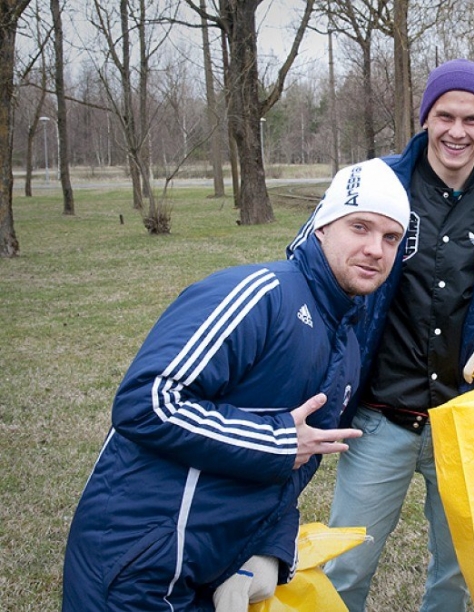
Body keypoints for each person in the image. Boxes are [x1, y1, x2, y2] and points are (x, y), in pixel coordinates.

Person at [61, 159, 411, 612]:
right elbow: (145, 402)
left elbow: (298, 467)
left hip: (215, 570)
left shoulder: (348, 347)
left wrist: (271, 551)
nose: (375, 249)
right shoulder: (260, 295)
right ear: (322, 227)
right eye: (359, 227)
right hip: (136, 564)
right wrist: (279, 439)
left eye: (391, 238)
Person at [322, 58, 474, 612]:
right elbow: (314, 261)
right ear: (425, 116)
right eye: (444, 115)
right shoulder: (376, 181)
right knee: (344, 565)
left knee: (455, 574)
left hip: (466, 423)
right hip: (380, 417)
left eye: (472, 119)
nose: (456, 131)